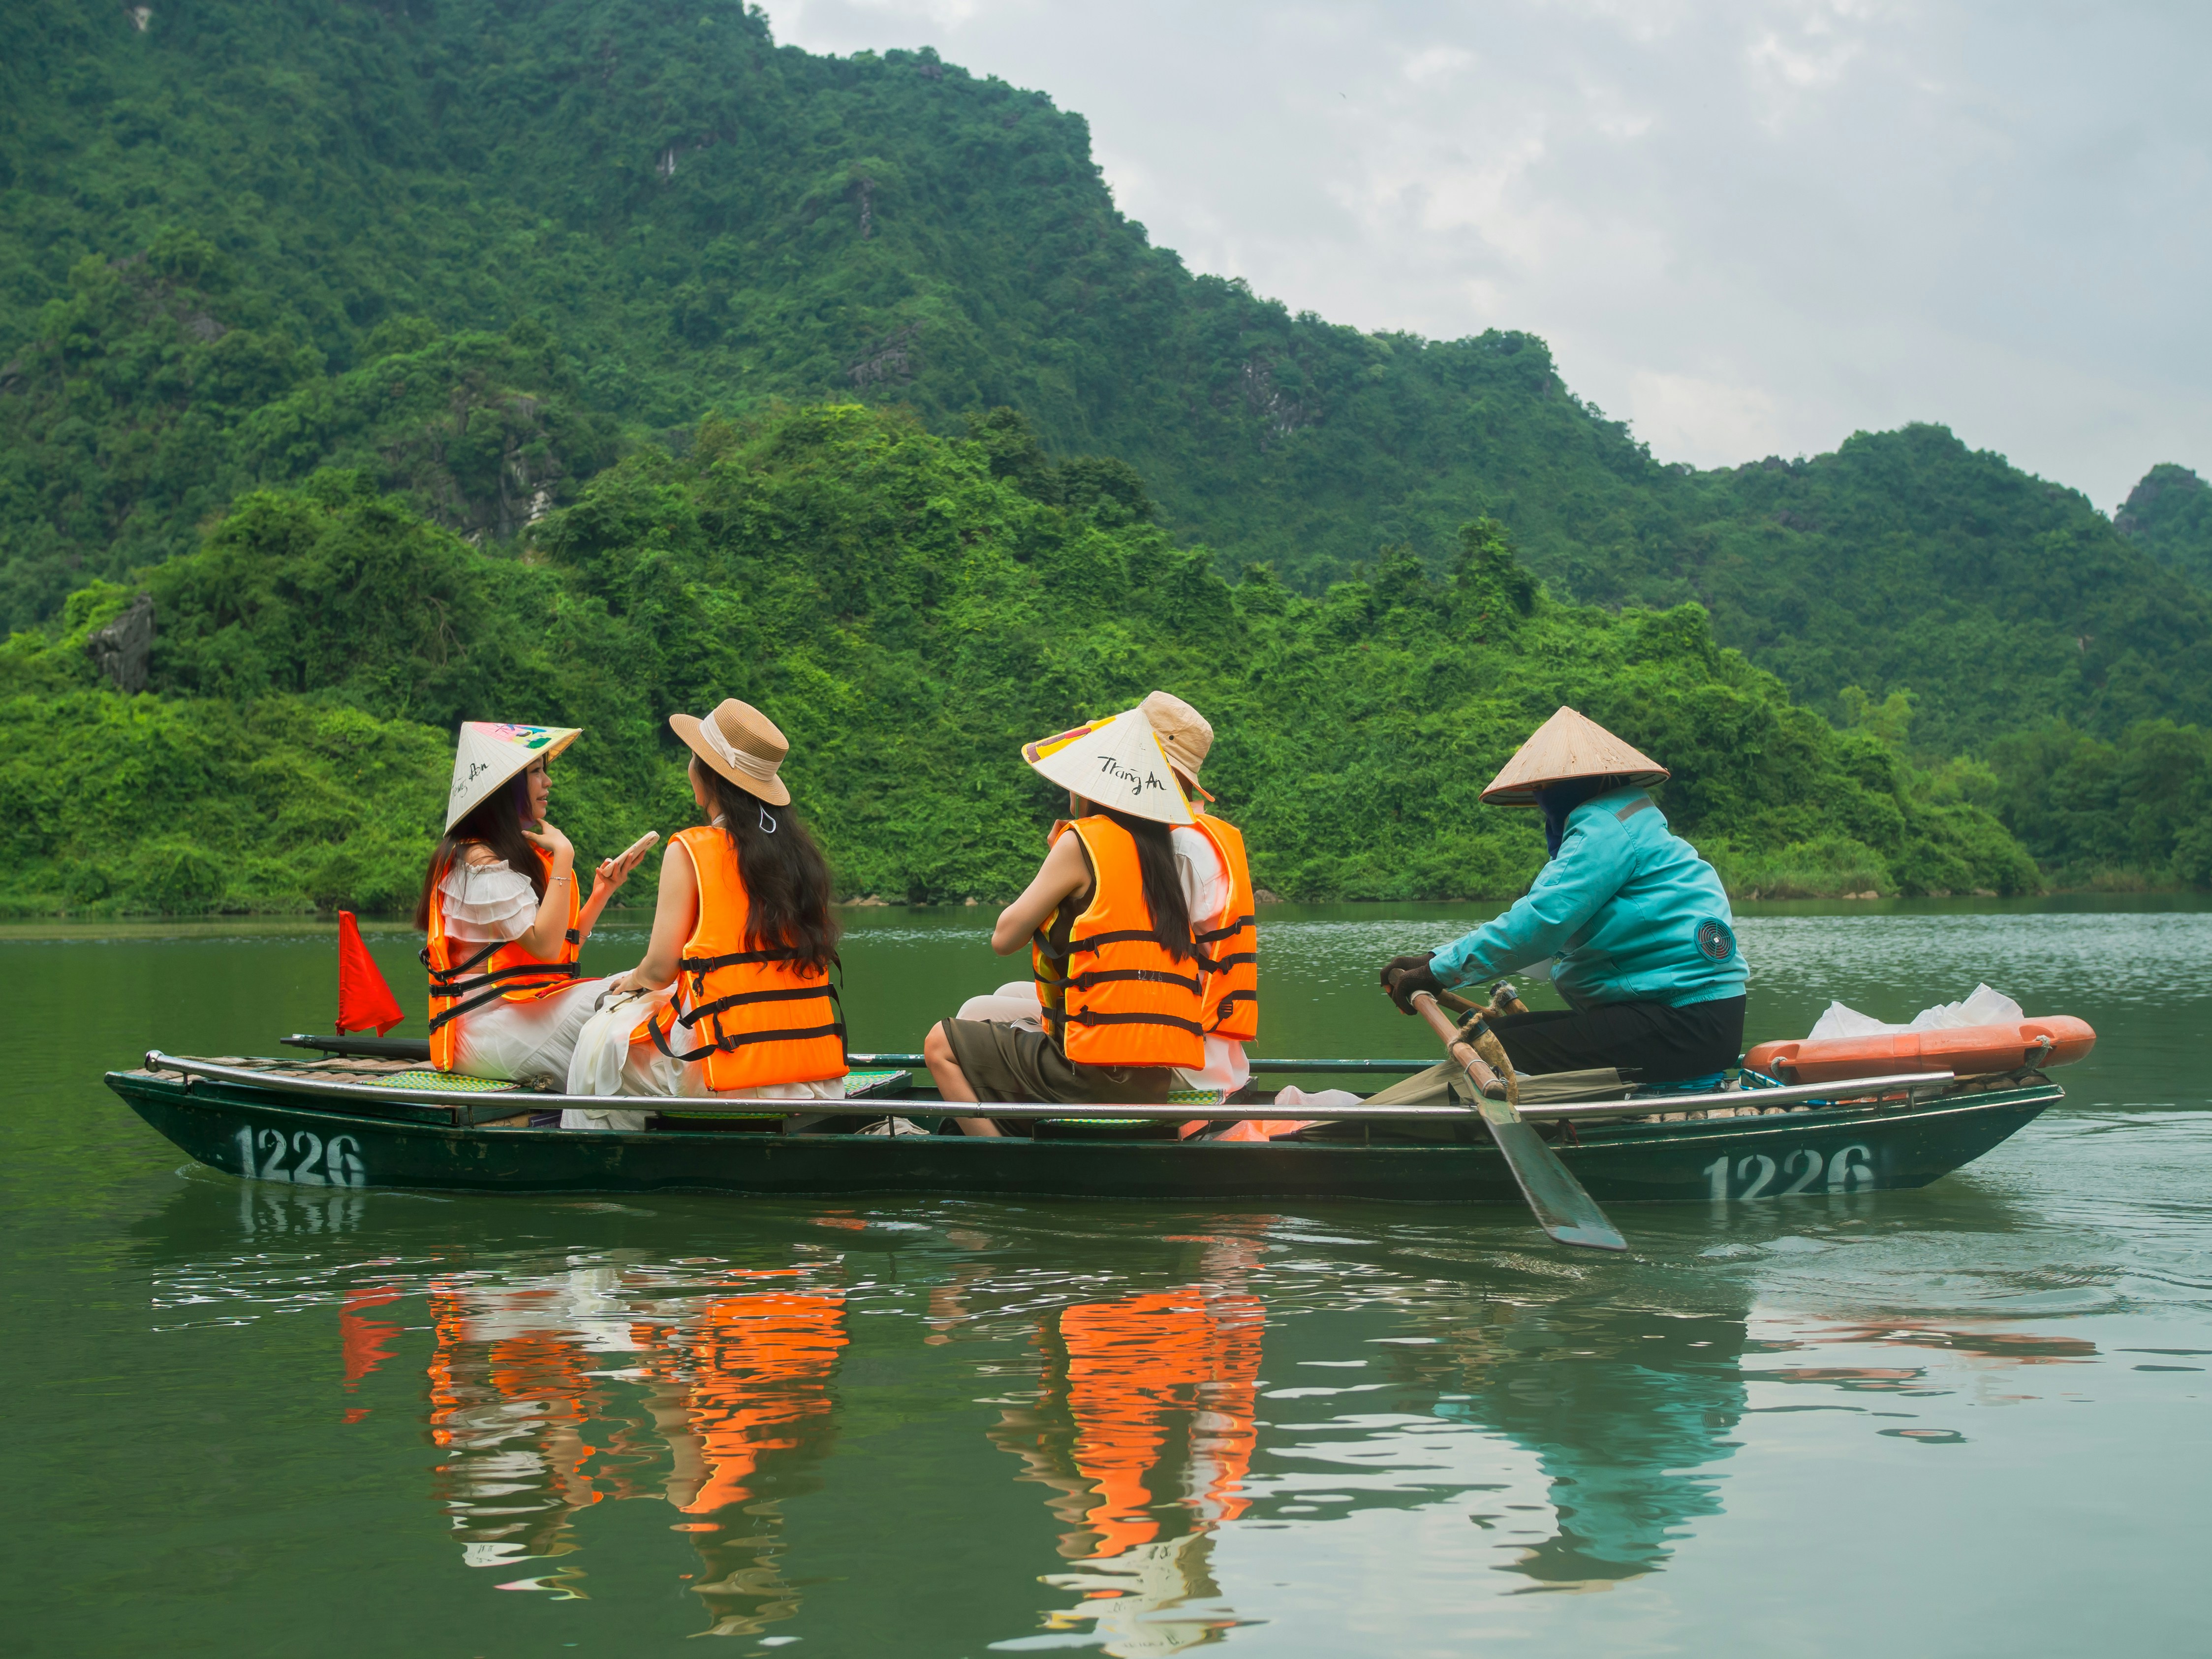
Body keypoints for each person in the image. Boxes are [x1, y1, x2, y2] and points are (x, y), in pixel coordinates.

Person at [1378, 707, 1748, 1086]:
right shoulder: (1624, 823)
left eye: (1546, 788)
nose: (1543, 799)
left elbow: (1541, 924)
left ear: (1591, 784)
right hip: (1691, 1018)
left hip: (1684, 1021)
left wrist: (1437, 971)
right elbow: (1541, 942)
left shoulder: (1606, 829)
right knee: (1512, 1033)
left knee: (1493, 1049)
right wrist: (1435, 959)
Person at [950, 690, 1260, 1101]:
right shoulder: (1194, 837)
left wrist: (1076, 862)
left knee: (976, 1012)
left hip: (1174, 1048)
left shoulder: (1165, 845)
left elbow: (1012, 937)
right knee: (1005, 996)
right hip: (1204, 1041)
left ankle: (1012, 1122)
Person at [924, 707, 1206, 1130]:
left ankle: (998, 1162)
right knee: (990, 1008)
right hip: (1149, 1077)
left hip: (1091, 1075)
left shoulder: (1081, 843)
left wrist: (1057, 852)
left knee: (940, 1043)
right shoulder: (1157, 850)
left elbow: (1004, 937)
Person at [603, 699, 848, 1106]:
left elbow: (660, 970)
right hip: (813, 1070)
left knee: (603, 1042)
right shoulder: (801, 855)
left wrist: (630, 981)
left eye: (694, 757)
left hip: (726, 1068)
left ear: (709, 776)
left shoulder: (690, 851)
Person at [416, 721, 652, 1088]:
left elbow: (558, 947)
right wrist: (565, 856)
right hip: (484, 1027)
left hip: (521, 1012)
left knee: (638, 993)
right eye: (535, 772)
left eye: (545, 770)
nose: (547, 782)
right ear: (505, 789)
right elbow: (544, 946)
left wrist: (601, 893)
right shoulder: (477, 863)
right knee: (626, 996)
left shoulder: (510, 857)